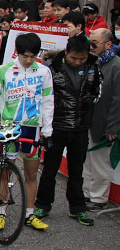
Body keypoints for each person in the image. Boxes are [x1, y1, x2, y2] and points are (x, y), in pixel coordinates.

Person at [0, 33, 54, 230]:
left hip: (32, 128)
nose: (29, 60)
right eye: (25, 56)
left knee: (31, 174)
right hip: (10, 127)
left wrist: (47, 131)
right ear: (17, 53)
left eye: (33, 56)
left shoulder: (43, 72)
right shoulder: (4, 70)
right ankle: (1, 211)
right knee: (6, 171)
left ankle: (29, 214)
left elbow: (48, 102)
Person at [34, 36, 102, 226]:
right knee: (50, 169)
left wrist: (86, 107)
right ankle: (43, 204)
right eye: (74, 58)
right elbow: (43, 97)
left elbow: (96, 93)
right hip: (57, 126)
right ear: (66, 52)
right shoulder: (51, 68)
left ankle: (78, 207)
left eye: (82, 59)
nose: (78, 62)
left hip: (81, 126)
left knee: (77, 170)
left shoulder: (93, 68)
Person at [83, 28, 120, 210]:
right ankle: (87, 193)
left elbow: (117, 100)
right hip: (90, 119)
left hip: (105, 124)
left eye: (95, 44)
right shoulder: (95, 63)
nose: (92, 47)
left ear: (108, 44)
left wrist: (112, 126)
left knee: (100, 163)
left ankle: (98, 198)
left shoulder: (116, 65)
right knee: (88, 161)